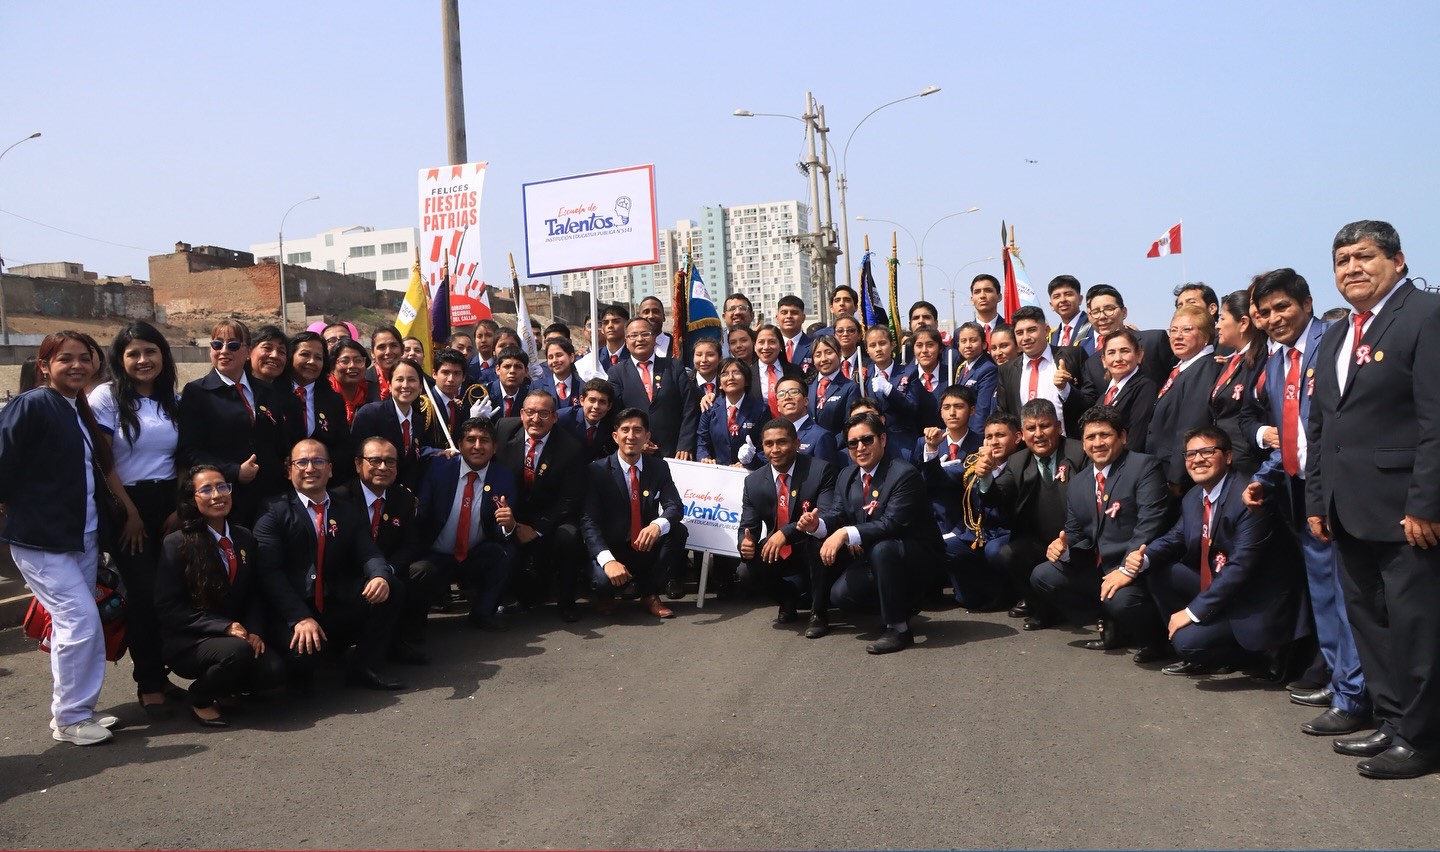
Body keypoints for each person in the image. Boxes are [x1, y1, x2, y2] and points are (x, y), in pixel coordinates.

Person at [1305, 221, 1440, 779]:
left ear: (1398, 261)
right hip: (1347, 508)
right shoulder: (1339, 333)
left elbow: (1436, 419)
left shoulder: (1426, 315)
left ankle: (1425, 737)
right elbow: (1322, 426)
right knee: (1370, 623)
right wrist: (1318, 499)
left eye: (1364, 256)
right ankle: (1393, 720)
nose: (1351, 268)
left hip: (1407, 511)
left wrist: (1427, 502)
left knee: (1415, 627)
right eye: (1342, 260)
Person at [1245, 266, 1369, 739]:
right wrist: (1264, 477)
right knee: (1323, 593)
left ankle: (1356, 696)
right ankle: (1340, 683)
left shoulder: (1334, 343)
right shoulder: (1277, 362)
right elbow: (1291, 436)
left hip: (1339, 492)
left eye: (1283, 307)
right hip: (1299, 491)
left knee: (1347, 596)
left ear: (1307, 304)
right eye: (1265, 311)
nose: (1274, 318)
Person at [0, 331, 118, 745]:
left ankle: (77, 710)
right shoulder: (33, 404)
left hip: (80, 536)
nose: (77, 366)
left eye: (84, 358)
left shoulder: (75, 407)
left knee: (81, 625)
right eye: (65, 359)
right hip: (42, 540)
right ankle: (70, 719)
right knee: (78, 622)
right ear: (44, 365)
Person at [1129, 427, 1301, 677]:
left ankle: (1256, 655)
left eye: (1207, 451)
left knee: (1186, 643)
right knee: (1160, 572)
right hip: (1222, 587)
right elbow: (1175, 537)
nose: (1197, 459)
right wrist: (1142, 558)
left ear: (1228, 456)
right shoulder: (1193, 497)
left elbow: (1241, 566)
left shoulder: (1249, 495)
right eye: (1190, 454)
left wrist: (1192, 612)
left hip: (1253, 599)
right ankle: (1208, 639)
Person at [89, 321, 184, 718]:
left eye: (150, 351)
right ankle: (148, 682)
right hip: (126, 503)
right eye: (133, 354)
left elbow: (181, 459)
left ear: (163, 355)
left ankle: (163, 674)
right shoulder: (107, 397)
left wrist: (179, 508)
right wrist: (128, 513)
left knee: (169, 594)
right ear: (120, 359)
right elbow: (104, 462)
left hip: (169, 504)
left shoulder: (172, 399)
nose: (143, 360)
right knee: (143, 595)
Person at [254, 438, 403, 692]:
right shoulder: (273, 510)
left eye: (318, 461)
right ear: (289, 470)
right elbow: (269, 572)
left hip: (333, 599)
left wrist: (379, 575)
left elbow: (368, 552)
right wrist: (299, 617)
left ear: (330, 469)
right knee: (306, 655)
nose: (310, 468)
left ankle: (364, 667)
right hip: (292, 609)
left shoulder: (346, 509)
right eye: (302, 462)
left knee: (392, 587)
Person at [1029, 405, 1172, 660]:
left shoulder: (1144, 467)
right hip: (1099, 568)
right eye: (1090, 437)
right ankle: (1109, 620)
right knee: (1043, 575)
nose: (1097, 443)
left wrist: (1126, 570)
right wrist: (1063, 548)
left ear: (1123, 437)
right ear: (1083, 443)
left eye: (1105, 435)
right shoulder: (1079, 482)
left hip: (1138, 567)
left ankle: (1155, 640)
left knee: (1121, 599)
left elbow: (1150, 525)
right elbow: (1076, 531)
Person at [800, 412, 941, 653]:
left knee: (883, 548)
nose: (860, 448)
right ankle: (901, 605)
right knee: (841, 594)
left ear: (882, 439)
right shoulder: (847, 475)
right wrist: (817, 525)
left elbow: (891, 524)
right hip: (874, 555)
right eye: (853, 443)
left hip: (916, 557)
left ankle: (898, 628)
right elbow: (837, 513)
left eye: (867, 440)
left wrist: (845, 533)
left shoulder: (904, 474)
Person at [155, 465, 284, 727]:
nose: (217, 495)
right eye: (206, 490)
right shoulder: (177, 543)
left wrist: (255, 630)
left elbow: (254, 593)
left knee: (273, 670)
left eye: (222, 486)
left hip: (235, 635)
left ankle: (223, 688)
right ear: (192, 499)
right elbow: (168, 608)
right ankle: (199, 698)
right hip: (190, 640)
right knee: (237, 652)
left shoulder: (243, 536)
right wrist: (223, 627)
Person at [976, 399, 1089, 628]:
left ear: (1058, 427)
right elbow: (995, 497)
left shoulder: (1079, 452)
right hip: (1038, 541)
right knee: (1008, 553)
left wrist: (1070, 537)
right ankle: (1043, 609)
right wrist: (986, 477)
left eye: (1044, 426)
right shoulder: (1018, 461)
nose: (1038, 434)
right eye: (1031, 428)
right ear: (1023, 433)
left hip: (1079, 538)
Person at [177, 319, 289, 526]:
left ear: (247, 351)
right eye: (217, 344)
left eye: (233, 345)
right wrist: (233, 471)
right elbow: (189, 450)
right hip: (227, 497)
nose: (224, 351)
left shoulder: (266, 390)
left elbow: (280, 441)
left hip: (272, 496)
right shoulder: (197, 392)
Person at [330, 437, 434, 660]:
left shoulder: (404, 498)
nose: (383, 467)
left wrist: (386, 572)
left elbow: (410, 545)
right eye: (375, 460)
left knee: (424, 571)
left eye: (390, 462)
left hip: (388, 569)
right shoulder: (339, 499)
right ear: (358, 464)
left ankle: (400, 640)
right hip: (351, 575)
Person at [580, 408, 688, 619]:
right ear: (615, 436)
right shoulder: (596, 471)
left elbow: (675, 506)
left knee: (678, 531)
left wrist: (657, 525)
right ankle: (606, 595)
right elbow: (588, 522)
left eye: (637, 430)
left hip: (643, 544)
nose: (631, 436)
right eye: (625, 430)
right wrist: (608, 560)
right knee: (602, 581)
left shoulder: (659, 467)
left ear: (647, 437)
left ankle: (650, 594)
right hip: (612, 547)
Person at [417, 417, 518, 631]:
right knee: (420, 571)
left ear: (495, 447)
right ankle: (414, 622)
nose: (478, 446)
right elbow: (422, 513)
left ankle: (483, 613)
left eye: (485, 440)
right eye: (471, 440)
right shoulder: (439, 468)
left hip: (473, 553)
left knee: (505, 552)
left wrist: (508, 525)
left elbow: (500, 531)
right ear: (460, 445)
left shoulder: (503, 478)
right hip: (435, 555)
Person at [494, 392, 587, 622]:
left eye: (544, 413)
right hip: (513, 510)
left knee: (569, 536)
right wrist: (512, 521)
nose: (536, 419)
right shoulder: (503, 430)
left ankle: (566, 601)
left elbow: (570, 500)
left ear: (554, 417)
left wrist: (536, 529)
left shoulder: (571, 448)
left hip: (552, 514)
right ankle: (511, 596)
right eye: (531, 412)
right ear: (521, 414)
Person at [738, 418, 838, 627]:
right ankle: (787, 599)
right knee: (745, 570)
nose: (775, 449)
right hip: (778, 549)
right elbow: (748, 526)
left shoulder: (820, 471)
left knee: (818, 542)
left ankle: (818, 613)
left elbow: (829, 515)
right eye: (768, 444)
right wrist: (745, 543)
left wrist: (786, 532)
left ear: (796, 443)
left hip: (812, 546)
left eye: (781, 442)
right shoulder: (753, 481)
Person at [917, 386, 987, 607]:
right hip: (933, 520)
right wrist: (932, 451)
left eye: (959, 406)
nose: (952, 412)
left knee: (968, 600)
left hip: (965, 524)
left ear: (972, 410)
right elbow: (919, 483)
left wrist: (941, 467)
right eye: (946, 407)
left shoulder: (981, 443)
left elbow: (964, 481)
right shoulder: (924, 443)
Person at [1145, 306, 1221, 493]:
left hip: (1178, 476)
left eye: (1187, 330)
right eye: (1173, 330)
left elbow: (1192, 425)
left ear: (1205, 336)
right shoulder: (1182, 368)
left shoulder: (1205, 368)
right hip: (1160, 469)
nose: (1177, 336)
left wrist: (1176, 477)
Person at [351, 358, 446, 494]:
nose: (405, 385)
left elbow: (412, 454)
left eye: (412, 380)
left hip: (402, 496)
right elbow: (356, 456)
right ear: (389, 385)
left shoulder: (418, 420)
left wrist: (438, 452)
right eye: (399, 379)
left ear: (420, 387)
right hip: (371, 492)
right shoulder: (371, 414)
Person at [607, 318, 699, 459]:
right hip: (636, 452)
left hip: (675, 452)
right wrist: (638, 441)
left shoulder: (674, 367)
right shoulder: (617, 373)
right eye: (633, 335)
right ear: (626, 341)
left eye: (645, 334)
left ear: (654, 337)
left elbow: (689, 406)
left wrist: (685, 444)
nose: (640, 339)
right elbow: (616, 413)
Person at [996, 306, 1087, 436]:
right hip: (1026, 446)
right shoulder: (1006, 370)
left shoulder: (1073, 356)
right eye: (1019, 333)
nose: (1025, 337)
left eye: (1032, 330)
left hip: (1070, 443)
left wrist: (1065, 389)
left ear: (1046, 330)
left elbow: (1090, 402)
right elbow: (1004, 415)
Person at [1208, 290, 1270, 479]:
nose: (1217, 326)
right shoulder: (1231, 362)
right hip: (1226, 462)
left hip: (1247, 465)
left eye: (1222, 318)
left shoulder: (1262, 360)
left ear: (1243, 323)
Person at [1080, 284, 1176, 391]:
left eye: (1109, 309)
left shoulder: (1154, 341)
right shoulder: (1092, 363)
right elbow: (1089, 398)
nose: (1102, 316)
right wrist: (1066, 387)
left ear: (1124, 312)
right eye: (1096, 312)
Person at [286, 331, 352, 481]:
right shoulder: (274, 393)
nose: (311, 362)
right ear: (291, 356)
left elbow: (344, 447)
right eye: (305, 354)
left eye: (318, 358)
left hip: (322, 482)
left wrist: (321, 464)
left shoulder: (333, 400)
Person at [861, 325, 923, 460]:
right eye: (872, 345)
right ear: (867, 350)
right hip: (873, 444)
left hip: (903, 442)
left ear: (892, 344)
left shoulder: (909, 372)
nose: (878, 349)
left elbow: (912, 407)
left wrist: (890, 390)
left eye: (882, 343)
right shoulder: (863, 375)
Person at [1092, 328, 1158, 452]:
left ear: (1139, 355)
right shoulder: (1103, 397)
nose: (1118, 358)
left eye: (1124, 351)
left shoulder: (1145, 387)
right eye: (1111, 353)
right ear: (1104, 361)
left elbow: (1137, 437)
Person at [697, 356, 767, 467]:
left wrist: (748, 463)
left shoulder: (760, 410)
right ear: (720, 384)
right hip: (717, 471)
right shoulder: (710, 407)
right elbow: (702, 442)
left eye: (736, 373)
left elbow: (764, 449)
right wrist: (705, 458)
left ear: (747, 380)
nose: (730, 378)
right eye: (724, 374)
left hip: (748, 472)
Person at [807, 333, 860, 437]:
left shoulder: (850, 388)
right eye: (818, 355)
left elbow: (850, 425)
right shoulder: (807, 386)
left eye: (828, 352)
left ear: (839, 354)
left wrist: (831, 444)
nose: (823, 359)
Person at [749, 324, 805, 419]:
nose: (766, 347)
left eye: (772, 342)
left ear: (780, 346)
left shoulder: (795, 371)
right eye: (761, 342)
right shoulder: (747, 374)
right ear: (755, 346)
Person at [954, 322, 998, 434]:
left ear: (984, 344)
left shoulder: (988, 369)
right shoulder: (963, 368)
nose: (968, 345)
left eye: (973, 340)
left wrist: (976, 437)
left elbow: (982, 410)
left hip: (976, 433)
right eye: (963, 341)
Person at [904, 327, 951, 430]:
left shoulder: (952, 375)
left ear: (940, 348)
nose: (924, 350)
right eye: (919, 346)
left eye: (930, 345)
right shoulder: (905, 376)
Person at [328, 338, 372, 424]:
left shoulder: (373, 394)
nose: (352, 365)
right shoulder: (322, 394)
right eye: (345, 361)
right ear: (332, 367)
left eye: (358, 360)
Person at [484, 347, 533, 419]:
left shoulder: (530, 396)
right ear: (497, 369)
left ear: (526, 372)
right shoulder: (484, 393)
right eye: (507, 366)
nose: (512, 371)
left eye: (518, 367)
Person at [535, 338, 582, 408]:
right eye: (550, 357)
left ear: (571, 357)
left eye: (559, 355)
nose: (554, 360)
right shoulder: (537, 386)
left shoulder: (583, 386)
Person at [364, 325, 404, 403]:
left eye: (393, 346)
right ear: (372, 353)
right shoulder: (362, 383)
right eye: (381, 347)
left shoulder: (416, 381)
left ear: (402, 349)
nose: (388, 352)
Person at [1048, 275, 1090, 347]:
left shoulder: (1094, 326)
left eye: (1068, 294)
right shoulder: (1051, 337)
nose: (1062, 300)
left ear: (1080, 299)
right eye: (1057, 296)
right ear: (1051, 305)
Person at [774, 295, 812, 370]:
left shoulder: (813, 346)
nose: (789, 316)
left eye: (794, 313)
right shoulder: (770, 347)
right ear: (777, 318)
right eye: (784, 313)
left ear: (803, 318)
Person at [970, 275, 1003, 345]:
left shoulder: (1011, 328)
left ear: (999, 297)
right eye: (977, 292)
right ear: (972, 300)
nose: (982, 296)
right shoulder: (962, 333)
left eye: (988, 291)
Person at [466, 318, 500, 383]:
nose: (483, 340)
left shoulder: (502, 366)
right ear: (475, 340)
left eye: (488, 335)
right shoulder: (467, 366)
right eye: (479, 336)